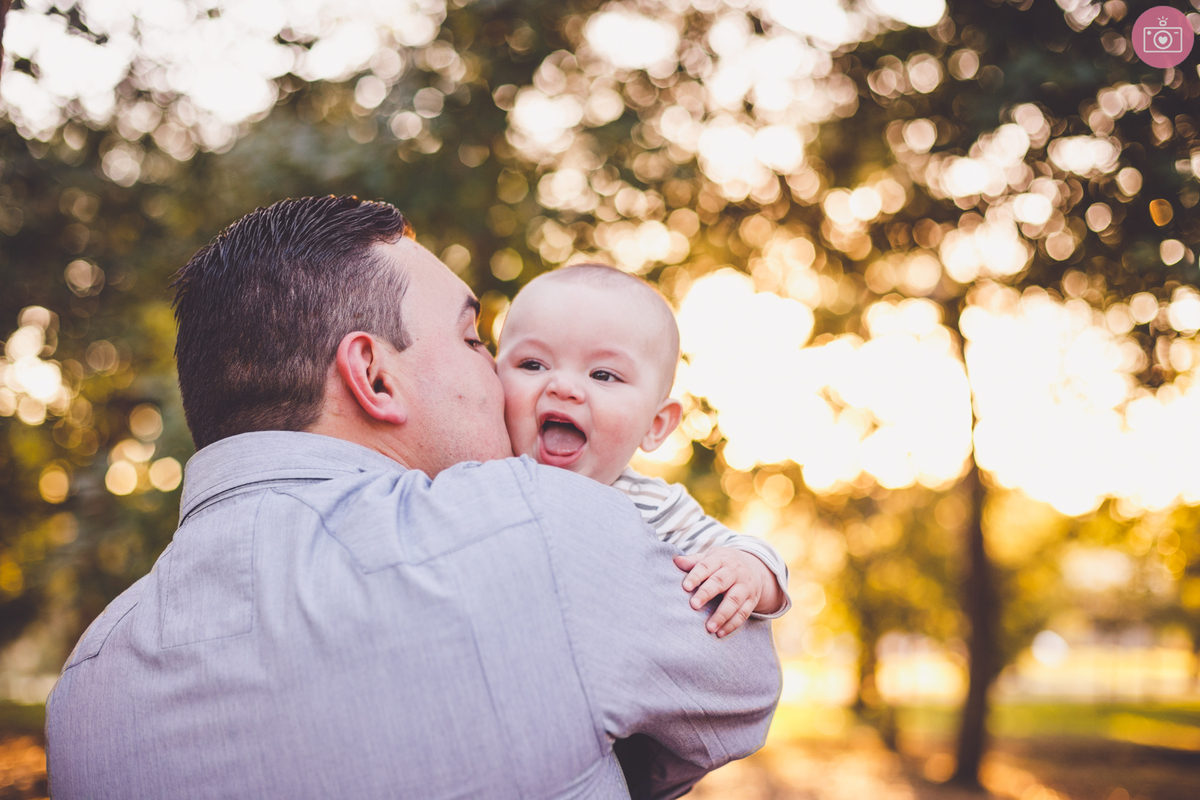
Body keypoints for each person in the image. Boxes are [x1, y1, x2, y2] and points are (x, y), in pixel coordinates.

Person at [45, 196, 781, 799]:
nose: (497, 376)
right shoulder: (544, 526)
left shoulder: (85, 685)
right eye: (474, 341)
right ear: (374, 376)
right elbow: (741, 687)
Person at [496, 266, 791, 638]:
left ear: (655, 425)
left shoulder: (652, 506)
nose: (564, 386)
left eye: (603, 375)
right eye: (532, 364)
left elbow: (753, 555)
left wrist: (745, 570)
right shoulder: (477, 470)